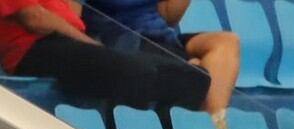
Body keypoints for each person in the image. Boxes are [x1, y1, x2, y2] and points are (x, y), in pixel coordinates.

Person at [0, 0, 212, 115]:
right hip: (33, 48)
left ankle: (188, 78)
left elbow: (73, 15)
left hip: (70, 42)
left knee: (198, 78)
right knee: (138, 73)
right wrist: (90, 44)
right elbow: (35, 19)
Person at [80, 0, 237, 129]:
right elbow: (74, 13)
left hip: (161, 38)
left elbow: (169, 16)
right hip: (120, 38)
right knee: (195, 70)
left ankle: (213, 127)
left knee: (228, 42)